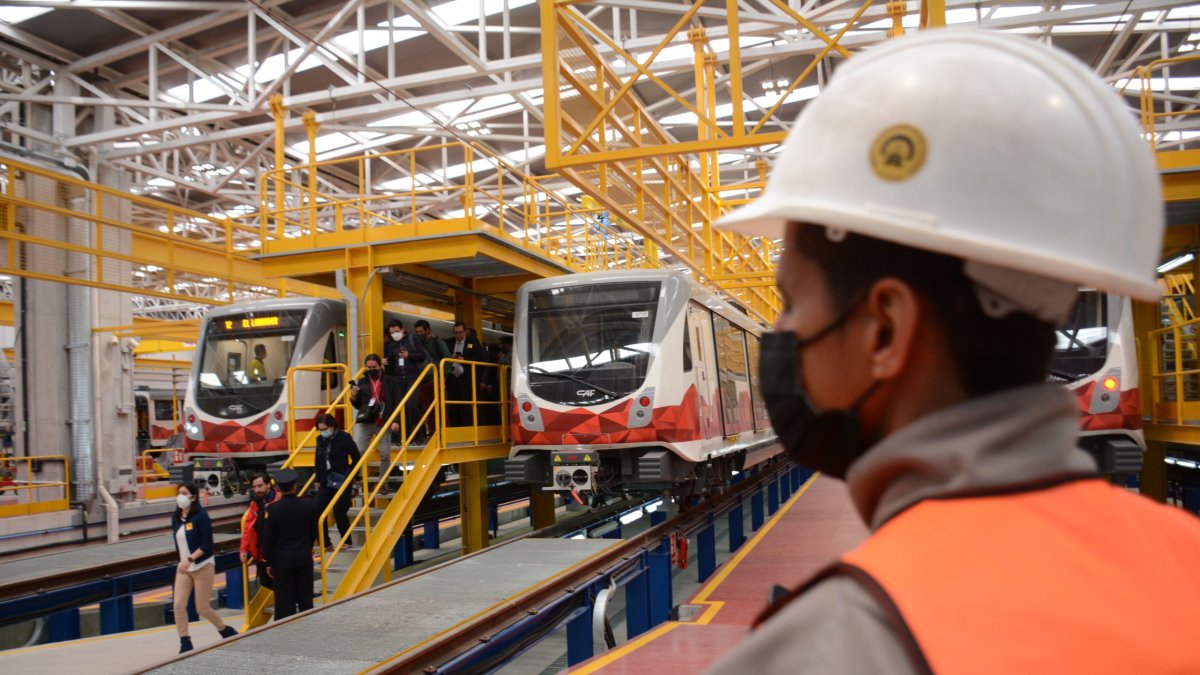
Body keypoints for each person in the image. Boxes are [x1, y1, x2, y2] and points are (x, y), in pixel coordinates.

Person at [707, 30, 1200, 673]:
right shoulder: (1183, 559)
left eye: (794, 301)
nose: (784, 332)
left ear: (884, 329)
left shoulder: (833, 646)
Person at [171, 484, 237, 652]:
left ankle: (224, 629)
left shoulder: (201, 516)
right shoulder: (176, 518)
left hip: (203, 565)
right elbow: (179, 543)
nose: (180, 496)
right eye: (178, 493)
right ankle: (185, 642)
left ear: (193, 496)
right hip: (184, 568)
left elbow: (208, 544)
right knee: (178, 605)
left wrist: (190, 558)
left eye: (184, 493)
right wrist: (183, 561)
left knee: (202, 607)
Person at [261, 468, 319, 621]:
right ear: (295, 486)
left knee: (285, 603)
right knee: (306, 599)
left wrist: (268, 561)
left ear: (278, 488)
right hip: (304, 559)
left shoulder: (273, 510)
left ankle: (287, 636)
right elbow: (314, 532)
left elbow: (268, 539)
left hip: (282, 562)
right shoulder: (310, 506)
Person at [313, 413, 360, 544]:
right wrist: (317, 479)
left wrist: (351, 475)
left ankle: (346, 540)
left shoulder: (344, 438)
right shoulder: (319, 440)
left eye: (324, 429)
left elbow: (357, 458)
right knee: (317, 510)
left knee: (339, 511)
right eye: (320, 430)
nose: (323, 432)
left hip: (342, 480)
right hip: (325, 480)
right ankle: (325, 542)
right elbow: (317, 460)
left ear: (332, 426)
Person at [350, 354, 399, 478]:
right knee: (359, 451)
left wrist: (396, 421)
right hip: (367, 421)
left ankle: (383, 482)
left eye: (374, 367)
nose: (371, 369)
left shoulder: (390, 381)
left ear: (380, 366)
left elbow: (397, 402)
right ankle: (356, 478)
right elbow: (358, 405)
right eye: (368, 367)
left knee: (384, 454)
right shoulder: (362, 382)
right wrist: (354, 396)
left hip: (384, 422)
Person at [383, 319, 427, 443]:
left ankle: (420, 433)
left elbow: (422, 355)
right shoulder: (390, 345)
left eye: (396, 331)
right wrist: (385, 364)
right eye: (392, 333)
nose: (394, 334)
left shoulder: (412, 339)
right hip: (398, 379)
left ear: (402, 330)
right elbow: (391, 367)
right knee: (400, 407)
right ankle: (406, 435)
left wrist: (409, 355)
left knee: (412, 405)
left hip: (412, 376)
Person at [239, 473, 280, 590]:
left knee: (282, 585)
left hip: (277, 553)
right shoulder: (255, 503)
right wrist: (243, 549)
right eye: (254, 487)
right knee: (267, 583)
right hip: (261, 553)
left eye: (260, 486)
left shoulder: (279, 500)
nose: (257, 490)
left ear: (268, 484)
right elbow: (247, 527)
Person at [414, 319, 450, 440]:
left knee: (440, 409)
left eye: (421, 331)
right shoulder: (418, 344)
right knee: (428, 410)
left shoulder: (437, 342)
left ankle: (445, 434)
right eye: (417, 332)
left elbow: (447, 360)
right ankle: (433, 434)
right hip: (424, 381)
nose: (419, 334)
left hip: (437, 379)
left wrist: (443, 377)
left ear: (428, 330)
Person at [445, 321, 483, 426]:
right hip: (452, 378)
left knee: (466, 405)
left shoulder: (473, 342)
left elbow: (480, 358)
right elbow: (443, 357)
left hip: (466, 378)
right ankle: (454, 428)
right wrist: (450, 358)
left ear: (465, 332)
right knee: (452, 405)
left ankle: (466, 427)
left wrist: (464, 359)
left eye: (460, 332)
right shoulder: (449, 342)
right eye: (456, 332)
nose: (458, 335)